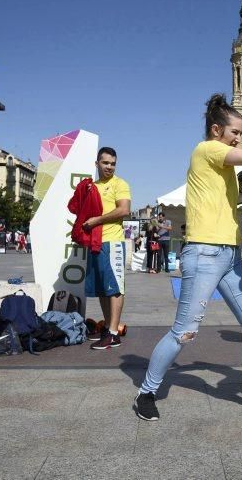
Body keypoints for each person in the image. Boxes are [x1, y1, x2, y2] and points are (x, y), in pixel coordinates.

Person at [134, 93, 242, 422]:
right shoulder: (206, 149)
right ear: (216, 130)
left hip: (230, 256)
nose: (239, 138)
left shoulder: (224, 166)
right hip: (204, 253)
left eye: (240, 133)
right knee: (184, 332)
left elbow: (232, 196)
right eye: (235, 132)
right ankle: (146, 391)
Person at [83, 146, 131, 350]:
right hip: (96, 242)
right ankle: (107, 327)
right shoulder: (92, 186)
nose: (109, 167)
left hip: (113, 242)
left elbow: (124, 210)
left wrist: (97, 220)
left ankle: (113, 334)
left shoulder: (120, 184)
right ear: (97, 164)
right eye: (105, 163)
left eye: (113, 163)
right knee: (103, 288)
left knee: (115, 289)